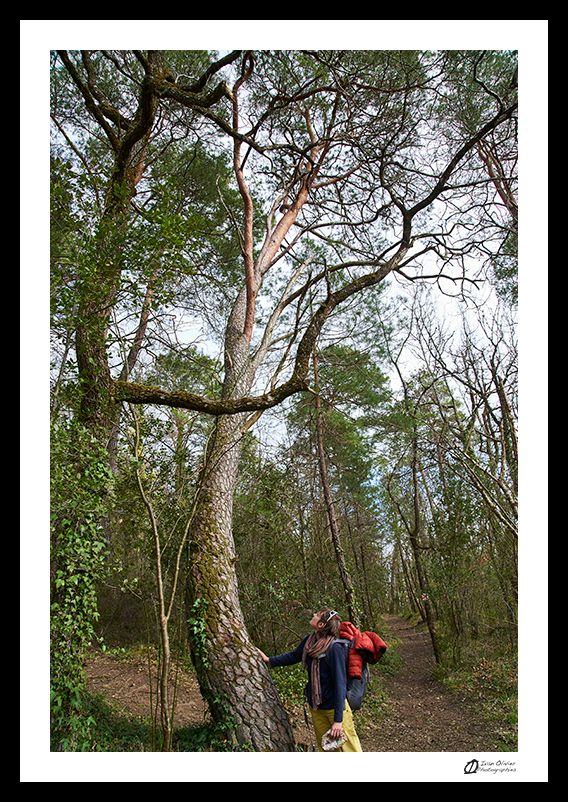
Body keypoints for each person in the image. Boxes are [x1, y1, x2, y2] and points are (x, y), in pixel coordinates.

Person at [257, 606, 363, 752]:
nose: (313, 614)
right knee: (327, 749)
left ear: (321, 625)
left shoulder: (334, 648)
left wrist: (338, 720)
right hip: (317, 707)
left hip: (335, 708)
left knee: (349, 750)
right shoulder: (310, 641)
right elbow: (294, 656)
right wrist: (269, 660)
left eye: (317, 615)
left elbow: (340, 684)